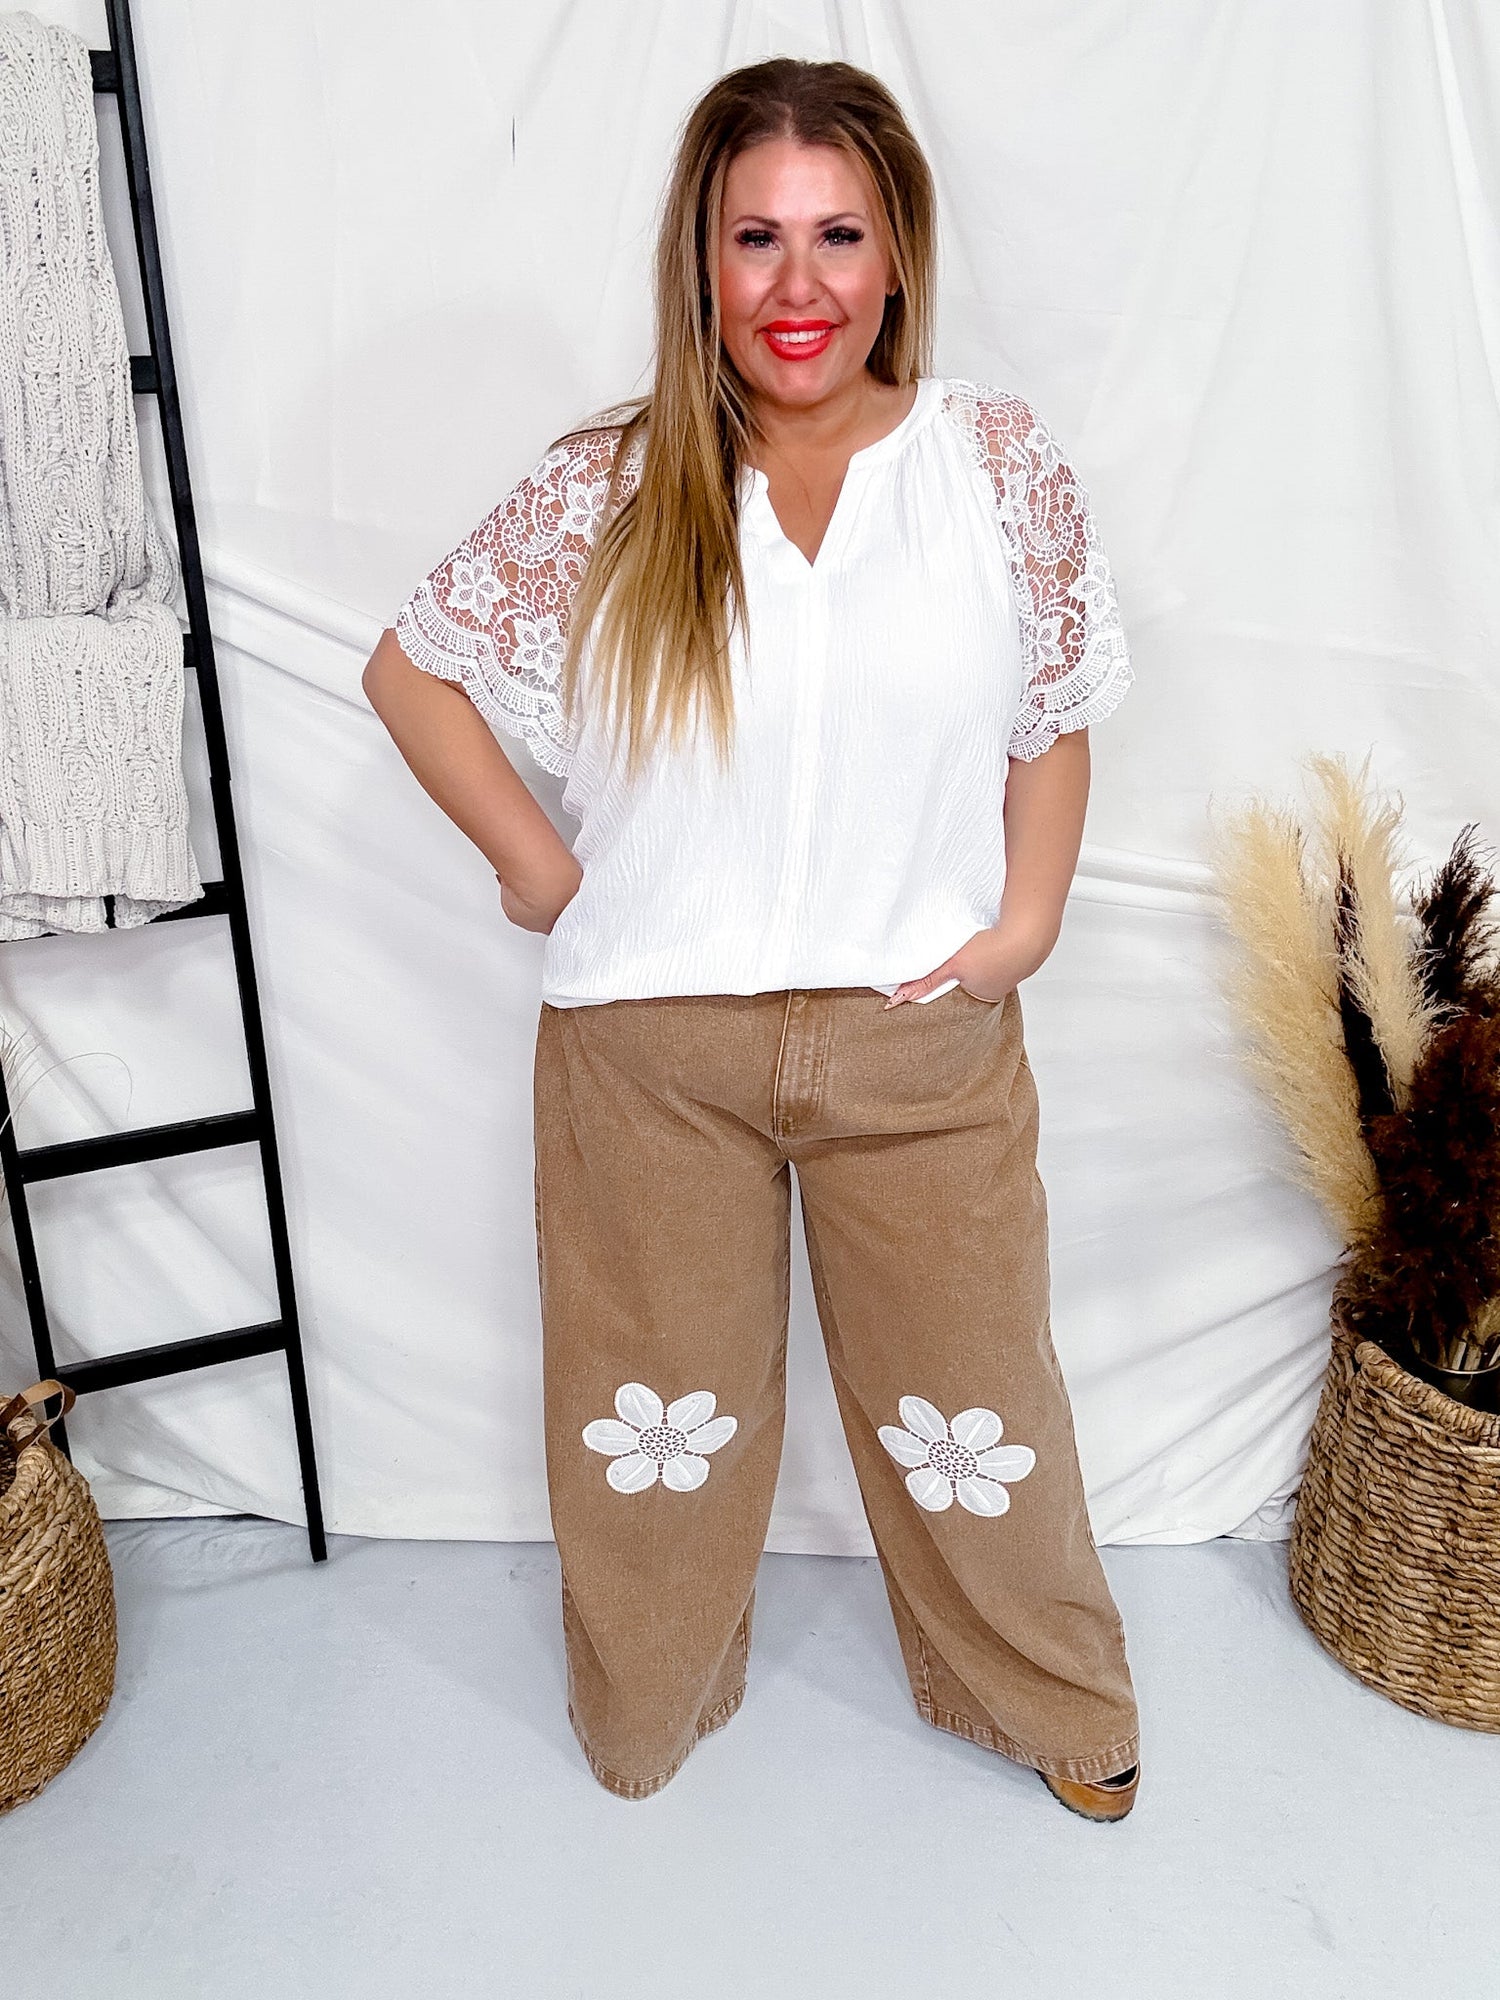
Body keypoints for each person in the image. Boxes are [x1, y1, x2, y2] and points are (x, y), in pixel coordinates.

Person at [363, 56, 1140, 1819]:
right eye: (757, 237)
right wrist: (541, 871)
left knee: (976, 1406)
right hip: (651, 1051)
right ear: (700, 259)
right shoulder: (617, 480)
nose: (800, 285)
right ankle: (647, 1701)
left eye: (838, 235)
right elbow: (411, 672)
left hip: (915, 1038)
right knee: (654, 1422)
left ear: (897, 253)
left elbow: (1052, 714)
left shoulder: (990, 463)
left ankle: (1050, 1693)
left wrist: (1023, 926)